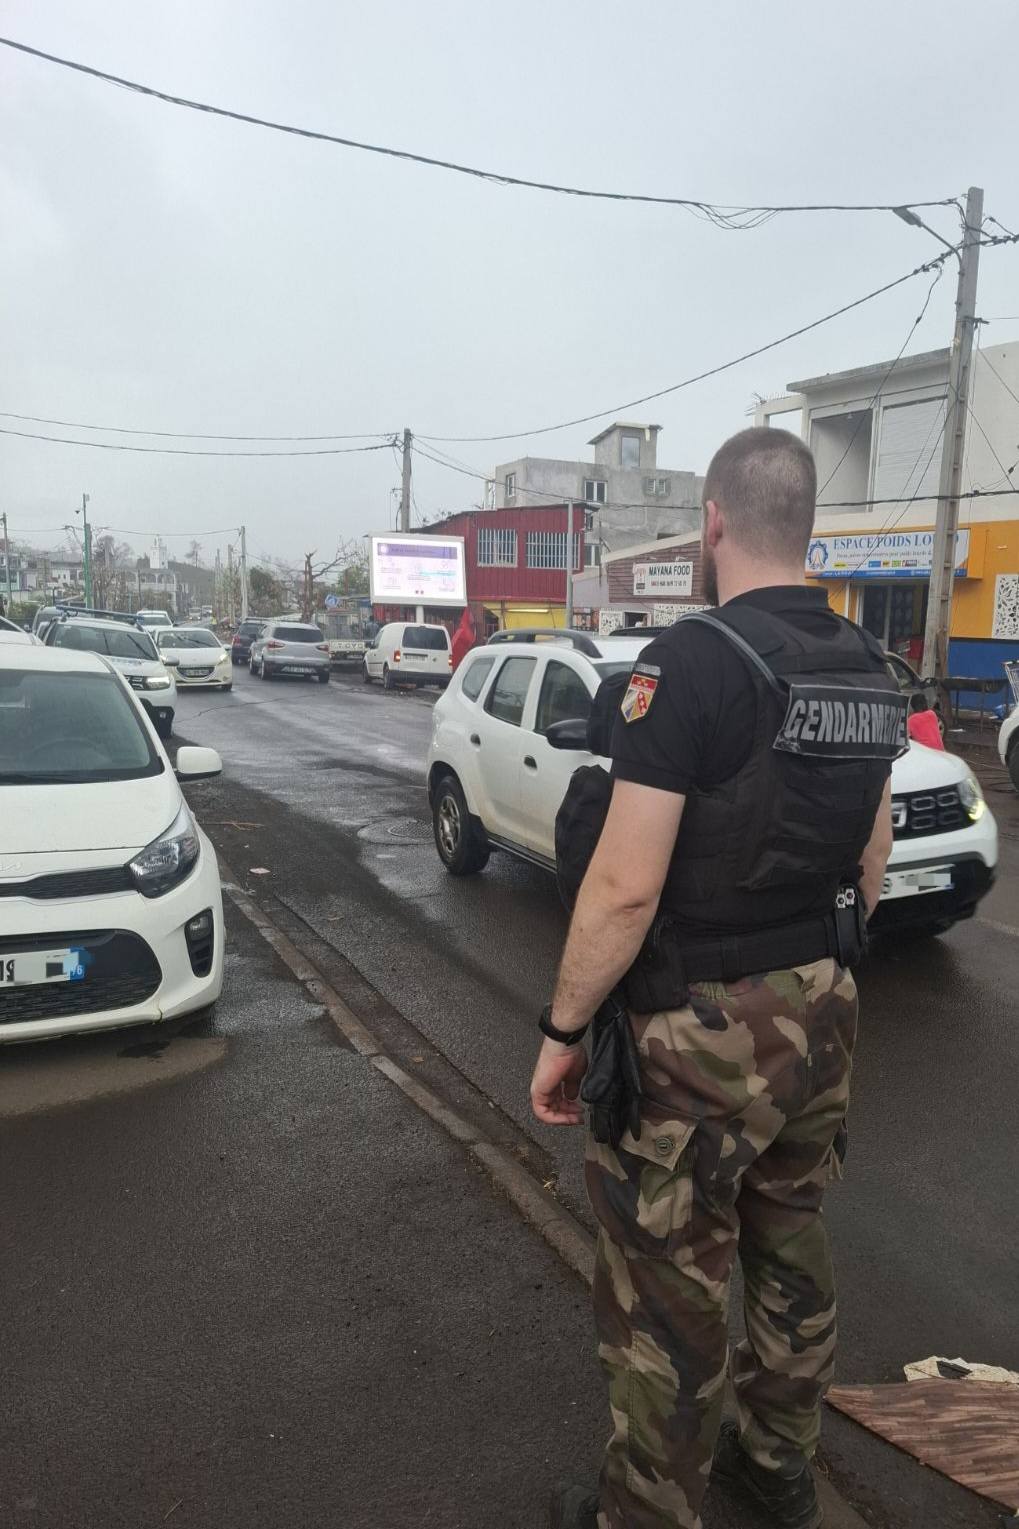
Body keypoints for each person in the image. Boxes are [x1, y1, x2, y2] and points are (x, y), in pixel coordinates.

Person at [531, 427, 900, 1529]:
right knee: (790, 1244)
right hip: (822, 1011)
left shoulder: (688, 661)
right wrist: (810, 964)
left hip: (698, 1030)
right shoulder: (865, 662)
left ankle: (646, 1513)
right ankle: (775, 1469)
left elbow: (622, 888)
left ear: (714, 522)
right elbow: (870, 855)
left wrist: (563, 1030)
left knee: (668, 1285)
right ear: (808, 529)